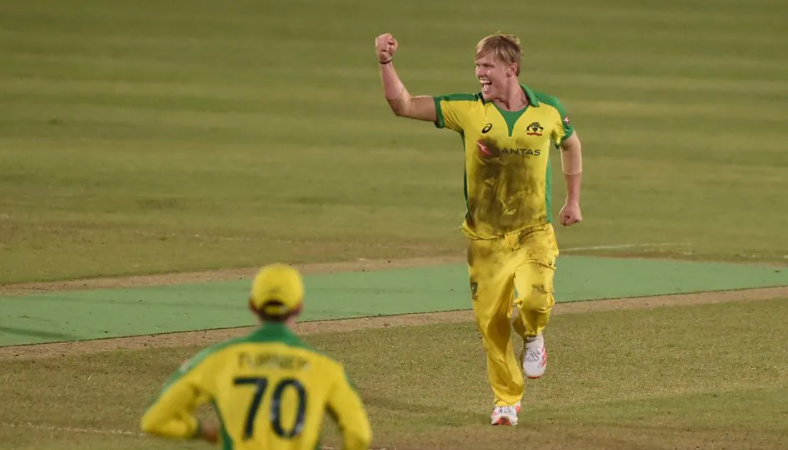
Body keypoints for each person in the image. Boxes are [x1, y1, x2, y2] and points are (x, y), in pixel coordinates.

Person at [375, 32, 584, 426]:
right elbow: (402, 105)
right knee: (492, 325)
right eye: (477, 66)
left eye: (487, 66)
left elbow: (571, 145)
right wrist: (386, 63)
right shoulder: (466, 110)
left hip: (532, 232)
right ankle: (506, 400)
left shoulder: (548, 111)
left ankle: (534, 334)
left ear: (511, 68)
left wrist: (572, 200)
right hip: (484, 241)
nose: (480, 74)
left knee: (536, 301)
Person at [140, 263, 373, 449]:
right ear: (299, 307)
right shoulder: (325, 368)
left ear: (252, 305)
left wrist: (202, 431)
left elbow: (154, 420)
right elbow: (359, 436)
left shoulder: (218, 360)